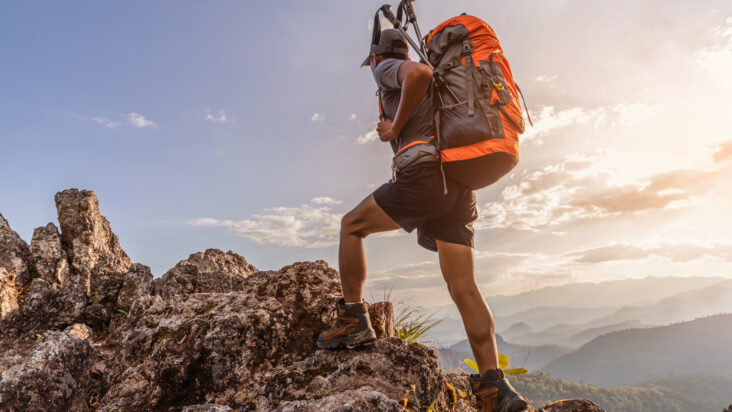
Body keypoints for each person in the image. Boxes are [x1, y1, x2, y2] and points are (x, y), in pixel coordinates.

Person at [316, 28, 529, 412]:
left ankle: (353, 321)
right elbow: (425, 78)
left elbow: (418, 75)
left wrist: (394, 128)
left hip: (425, 177)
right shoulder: (442, 76)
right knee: (464, 287)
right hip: (457, 184)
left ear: (377, 58)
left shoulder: (391, 68)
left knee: (352, 226)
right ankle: (493, 389)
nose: (374, 70)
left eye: (373, 63)